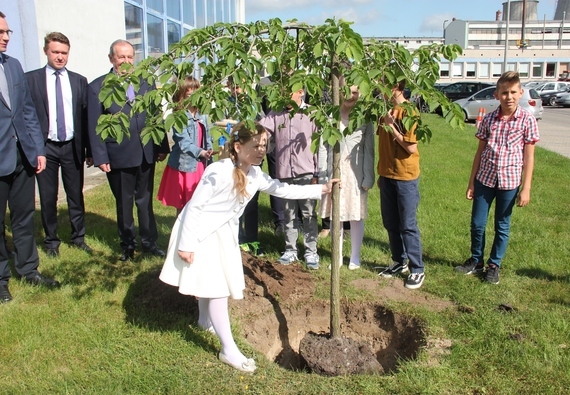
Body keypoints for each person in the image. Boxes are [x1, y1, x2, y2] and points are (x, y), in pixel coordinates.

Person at [159, 122, 338, 372]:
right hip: (201, 232)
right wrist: (186, 245)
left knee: (211, 283)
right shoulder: (218, 171)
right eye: (255, 145)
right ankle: (228, 349)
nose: (261, 150)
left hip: (222, 233)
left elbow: (283, 189)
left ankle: (203, 320)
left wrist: (321, 188)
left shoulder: (255, 175)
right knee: (218, 288)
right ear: (238, 146)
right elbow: (195, 207)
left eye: (264, 145)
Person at [87, 39, 170, 261]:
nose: (126, 61)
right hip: (119, 156)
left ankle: (149, 242)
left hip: (145, 152)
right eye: (121, 57)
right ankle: (128, 245)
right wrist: (100, 156)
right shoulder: (98, 87)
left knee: (145, 200)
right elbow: (94, 126)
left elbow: (155, 116)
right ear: (111, 59)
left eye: (130, 57)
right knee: (124, 204)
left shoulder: (145, 83)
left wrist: (161, 145)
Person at [454, 71, 539, 284]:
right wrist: (471, 182)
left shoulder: (527, 119)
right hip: (485, 180)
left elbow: (529, 157)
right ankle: (476, 260)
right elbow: (480, 152)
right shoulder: (490, 119)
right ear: (496, 95)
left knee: (502, 225)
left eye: (512, 92)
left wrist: (526, 188)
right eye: (504, 93)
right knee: (477, 224)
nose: (508, 97)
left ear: (520, 93)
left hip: (509, 183)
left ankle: (494, 264)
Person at [0, 11, 60, 304]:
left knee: (23, 219)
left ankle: (29, 270)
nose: (6, 37)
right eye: (1, 32)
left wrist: (37, 149)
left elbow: (26, 112)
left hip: (22, 156)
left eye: (8, 32)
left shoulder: (13, 66)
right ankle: (1, 280)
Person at [26, 32, 92, 258]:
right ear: (46, 51)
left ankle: (78, 237)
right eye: (55, 52)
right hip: (45, 147)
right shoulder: (31, 80)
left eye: (64, 53)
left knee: (75, 194)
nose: (60, 57)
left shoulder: (79, 81)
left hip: (72, 146)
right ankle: (51, 241)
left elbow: (86, 119)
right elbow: (28, 116)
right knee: (48, 196)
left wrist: (89, 151)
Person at [258, 87, 321, 269]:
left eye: (288, 92)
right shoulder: (276, 114)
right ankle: (291, 250)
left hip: (306, 171)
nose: (284, 97)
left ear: (300, 92)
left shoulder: (312, 113)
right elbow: (262, 130)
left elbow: (319, 145)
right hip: (285, 172)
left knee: (309, 213)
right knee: (289, 213)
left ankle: (311, 252)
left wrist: (317, 173)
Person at [319, 83, 375, 270]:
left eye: (356, 92)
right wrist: (323, 175)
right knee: (337, 215)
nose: (352, 96)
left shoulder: (364, 119)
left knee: (356, 216)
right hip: (335, 174)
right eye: (349, 92)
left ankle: (355, 257)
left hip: (355, 175)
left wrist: (368, 177)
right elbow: (322, 148)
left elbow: (369, 150)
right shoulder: (331, 118)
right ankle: (338, 256)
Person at [377, 80, 425, 290]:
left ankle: (417, 268)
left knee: (407, 225)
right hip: (387, 175)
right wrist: (382, 172)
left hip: (405, 177)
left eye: (382, 85)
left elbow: (411, 147)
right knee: (390, 222)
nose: (379, 90)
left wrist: (391, 126)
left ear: (395, 87)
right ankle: (399, 261)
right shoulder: (384, 111)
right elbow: (383, 144)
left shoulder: (409, 112)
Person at [157, 76, 212, 217]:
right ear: (181, 96)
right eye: (189, 94)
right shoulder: (179, 116)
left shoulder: (203, 114)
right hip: (185, 166)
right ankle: (180, 235)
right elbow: (184, 142)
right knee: (184, 207)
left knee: (200, 204)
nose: (193, 97)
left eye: (196, 92)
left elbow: (208, 135)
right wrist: (201, 152)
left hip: (201, 164)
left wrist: (209, 149)